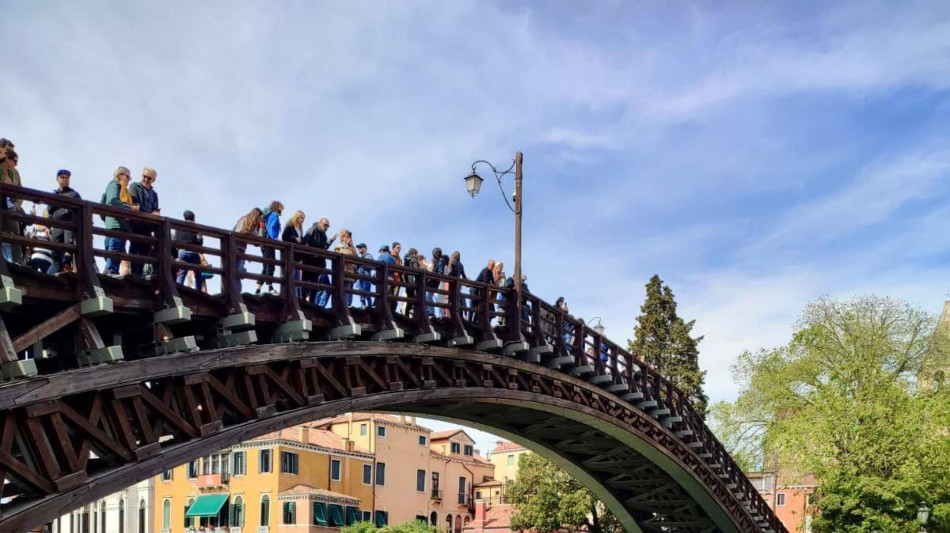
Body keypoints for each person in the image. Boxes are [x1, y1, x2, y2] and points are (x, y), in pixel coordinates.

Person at [102, 167, 138, 275]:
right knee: (114, 248)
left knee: (118, 249)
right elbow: (113, 201)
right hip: (116, 223)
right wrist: (129, 208)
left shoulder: (123, 188)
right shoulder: (114, 184)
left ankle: (111, 271)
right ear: (120, 175)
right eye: (127, 176)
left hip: (121, 224)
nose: (129, 179)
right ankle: (111, 272)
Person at [127, 167, 160, 277]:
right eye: (144, 176)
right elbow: (135, 203)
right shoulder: (134, 186)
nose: (146, 179)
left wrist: (155, 213)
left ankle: (140, 272)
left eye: (149, 178)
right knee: (135, 246)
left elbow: (155, 209)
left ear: (153, 180)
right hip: (136, 223)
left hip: (148, 226)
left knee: (144, 249)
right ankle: (134, 272)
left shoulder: (154, 194)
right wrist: (151, 213)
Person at [47, 169, 81, 273]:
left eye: (67, 178)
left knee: (68, 251)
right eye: (62, 178)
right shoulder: (54, 194)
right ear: (57, 179)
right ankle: (52, 275)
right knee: (55, 254)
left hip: (69, 224)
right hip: (56, 226)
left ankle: (66, 270)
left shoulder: (74, 194)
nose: (65, 180)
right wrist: (47, 226)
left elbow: (80, 211)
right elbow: (50, 212)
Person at [303, 217, 337, 306]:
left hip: (318, 263)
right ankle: (303, 302)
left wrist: (331, 241)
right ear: (320, 223)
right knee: (306, 282)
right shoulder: (312, 230)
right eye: (325, 225)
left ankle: (312, 304)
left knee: (315, 284)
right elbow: (304, 242)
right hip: (309, 261)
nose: (326, 227)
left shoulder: (323, 236)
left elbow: (324, 247)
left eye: (328, 226)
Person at [0, 149, 24, 263]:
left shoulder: (11, 173)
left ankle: (17, 262)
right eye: (15, 161)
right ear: (7, 159)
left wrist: (10, 186)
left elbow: (17, 193)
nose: (16, 164)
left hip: (9, 206)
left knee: (16, 235)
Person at [174, 210, 205, 292]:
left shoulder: (178, 227)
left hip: (182, 252)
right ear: (193, 218)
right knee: (198, 273)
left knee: (182, 272)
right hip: (193, 253)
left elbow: (175, 239)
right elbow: (200, 241)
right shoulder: (196, 227)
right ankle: (198, 291)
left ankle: (178, 289)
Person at [256, 201, 283, 295]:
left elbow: (263, 228)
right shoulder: (274, 215)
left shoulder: (265, 215)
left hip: (262, 242)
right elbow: (272, 228)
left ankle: (258, 289)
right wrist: (275, 239)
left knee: (265, 266)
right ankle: (270, 288)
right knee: (270, 265)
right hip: (269, 242)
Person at [282, 210, 305, 298]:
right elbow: (284, 237)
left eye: (303, 218)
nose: (302, 220)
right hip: (290, 253)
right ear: (296, 217)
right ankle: (291, 295)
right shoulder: (290, 226)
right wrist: (295, 238)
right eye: (301, 217)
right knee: (291, 274)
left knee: (297, 276)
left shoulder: (300, 229)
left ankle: (296, 296)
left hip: (298, 254)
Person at [233, 207, 263, 275]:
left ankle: (242, 269)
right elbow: (237, 233)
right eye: (260, 218)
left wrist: (261, 227)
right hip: (234, 248)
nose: (260, 220)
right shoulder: (244, 220)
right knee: (236, 274)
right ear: (256, 216)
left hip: (240, 250)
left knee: (236, 273)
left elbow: (259, 240)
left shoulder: (253, 226)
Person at [334, 230, 356, 306]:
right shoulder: (338, 246)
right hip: (341, 270)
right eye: (347, 237)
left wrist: (352, 246)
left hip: (349, 271)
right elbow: (338, 256)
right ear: (342, 237)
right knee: (340, 289)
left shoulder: (351, 248)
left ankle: (345, 306)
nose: (348, 239)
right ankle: (339, 306)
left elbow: (356, 257)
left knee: (347, 290)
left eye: (349, 237)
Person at [472, 259, 495, 324]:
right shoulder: (485, 270)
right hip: (475, 290)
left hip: (481, 291)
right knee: (474, 306)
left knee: (480, 307)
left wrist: (493, 285)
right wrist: (491, 284)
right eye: (491, 265)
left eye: (493, 266)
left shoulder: (490, 272)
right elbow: (486, 281)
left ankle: (477, 321)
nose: (492, 267)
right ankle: (472, 321)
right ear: (488, 265)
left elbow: (492, 282)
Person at [427, 247, 447, 317]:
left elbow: (440, 272)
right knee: (428, 296)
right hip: (433, 281)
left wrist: (434, 276)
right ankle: (430, 311)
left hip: (434, 281)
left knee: (428, 296)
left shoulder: (440, 261)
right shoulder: (438, 261)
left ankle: (431, 312)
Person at [355, 243, 374, 308]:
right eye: (358, 248)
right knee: (361, 293)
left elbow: (370, 266)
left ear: (365, 248)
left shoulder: (369, 256)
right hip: (361, 277)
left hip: (366, 277)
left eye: (360, 247)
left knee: (366, 293)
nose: (358, 249)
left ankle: (369, 306)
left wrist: (361, 266)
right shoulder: (361, 257)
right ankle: (363, 305)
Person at [403, 247, 420, 318]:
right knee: (415, 297)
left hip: (407, 279)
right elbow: (416, 269)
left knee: (409, 297)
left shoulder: (406, 260)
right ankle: (415, 315)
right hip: (412, 280)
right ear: (414, 253)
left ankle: (406, 314)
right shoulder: (413, 259)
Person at [390, 242, 403, 313]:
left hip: (397, 279)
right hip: (391, 278)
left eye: (400, 248)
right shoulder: (390, 255)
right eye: (398, 248)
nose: (399, 249)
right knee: (389, 294)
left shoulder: (400, 259)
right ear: (393, 248)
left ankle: (393, 311)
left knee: (395, 296)